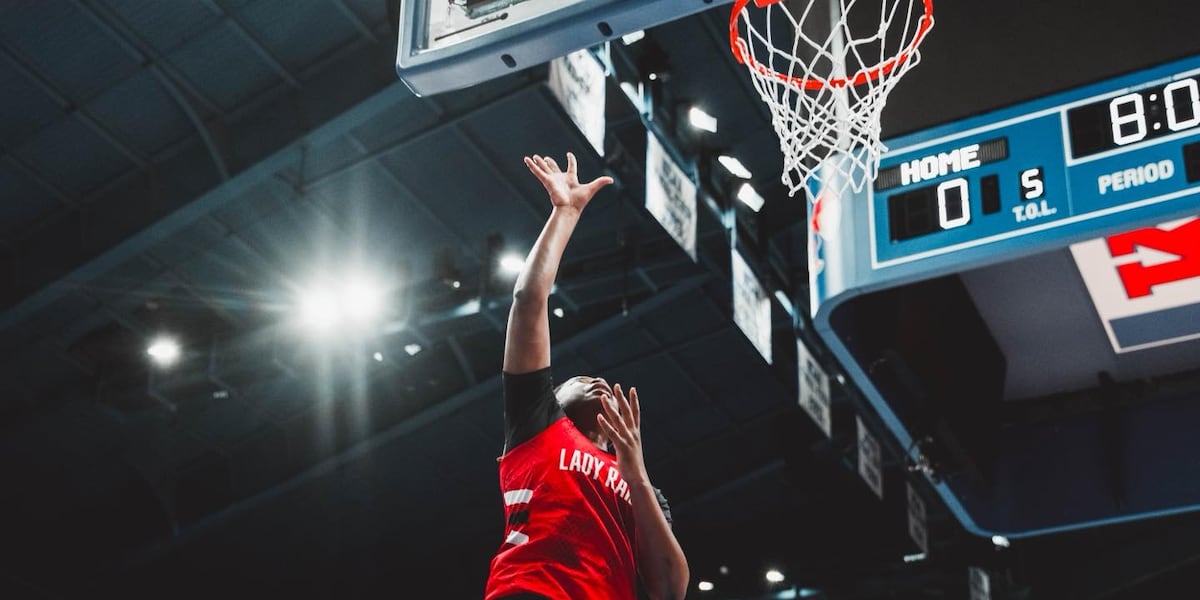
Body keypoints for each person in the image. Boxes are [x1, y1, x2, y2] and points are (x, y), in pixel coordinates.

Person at [484, 153, 689, 600]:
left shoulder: (642, 486)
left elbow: (670, 590)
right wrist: (565, 214)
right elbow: (528, 298)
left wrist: (635, 472)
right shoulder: (538, 423)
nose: (596, 381)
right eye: (579, 379)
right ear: (553, 397)